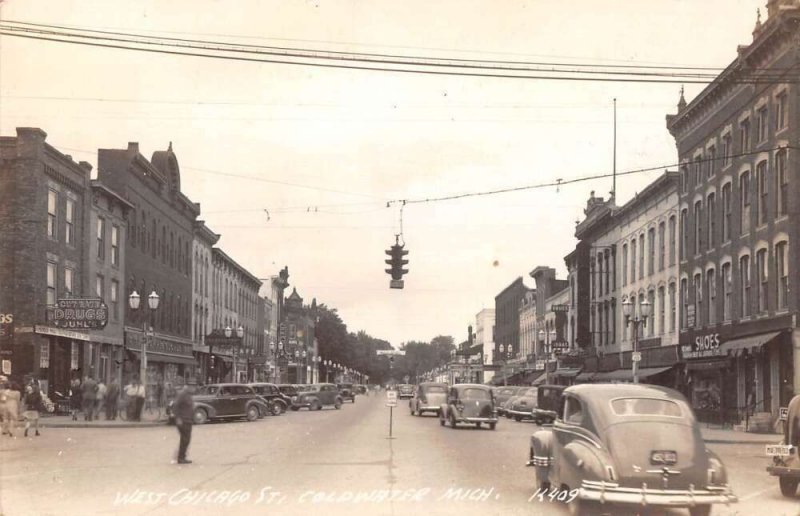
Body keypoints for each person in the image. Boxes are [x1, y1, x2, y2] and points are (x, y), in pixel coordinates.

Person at [172, 378, 193, 464]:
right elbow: (175, 405)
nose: (194, 388)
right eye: (192, 386)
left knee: (186, 439)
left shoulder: (188, 394)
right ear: (188, 386)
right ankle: (181, 458)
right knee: (185, 439)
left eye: (194, 386)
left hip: (188, 420)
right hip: (183, 421)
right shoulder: (182, 394)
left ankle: (181, 456)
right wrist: (178, 418)